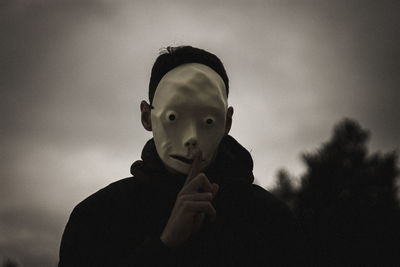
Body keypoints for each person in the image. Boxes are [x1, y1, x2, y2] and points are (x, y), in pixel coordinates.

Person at [58, 45, 308, 266]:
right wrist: (163, 245)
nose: (192, 137)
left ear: (227, 121)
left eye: (208, 120)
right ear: (147, 116)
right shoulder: (97, 219)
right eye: (173, 117)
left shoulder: (270, 222)